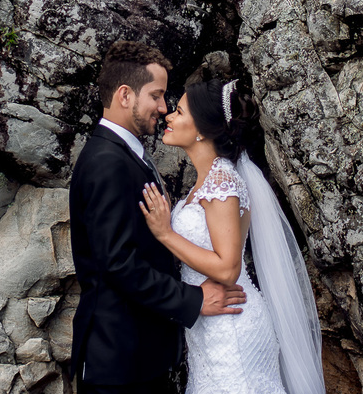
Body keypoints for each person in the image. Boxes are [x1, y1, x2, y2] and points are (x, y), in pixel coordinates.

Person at [69, 41, 247, 394]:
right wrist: (192, 300)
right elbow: (117, 263)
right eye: (157, 95)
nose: (163, 108)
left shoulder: (129, 154)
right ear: (124, 95)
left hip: (144, 355)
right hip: (119, 361)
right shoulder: (107, 161)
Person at [140, 78, 326, 394]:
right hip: (214, 323)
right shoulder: (210, 181)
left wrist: (165, 233)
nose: (169, 117)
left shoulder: (222, 183)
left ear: (202, 129)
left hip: (232, 327)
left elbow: (228, 268)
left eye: (180, 112)